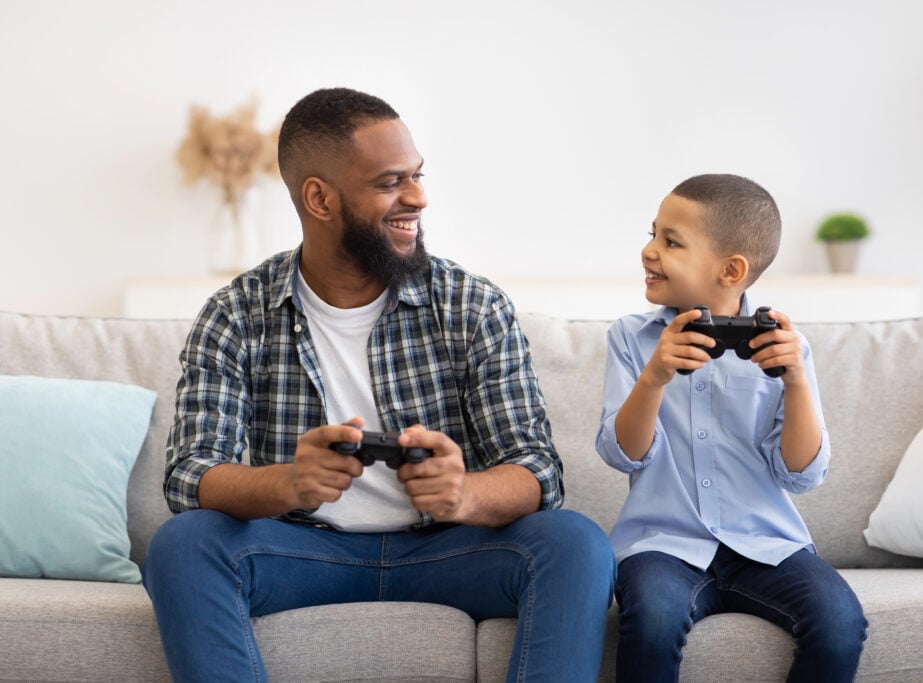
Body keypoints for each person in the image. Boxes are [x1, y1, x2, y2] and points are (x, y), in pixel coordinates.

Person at [143, 87, 615, 682]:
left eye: (417, 176)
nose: (417, 197)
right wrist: (290, 482)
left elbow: (537, 470)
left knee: (574, 543)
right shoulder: (237, 312)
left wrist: (462, 493)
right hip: (302, 552)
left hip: (449, 551)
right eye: (391, 182)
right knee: (183, 544)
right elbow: (190, 475)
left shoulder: (472, 304)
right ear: (319, 198)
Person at [595, 174, 867, 683]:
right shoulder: (631, 339)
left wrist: (798, 385)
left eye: (670, 241)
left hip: (766, 544)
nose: (649, 251)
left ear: (731, 270)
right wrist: (654, 376)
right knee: (652, 617)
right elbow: (622, 453)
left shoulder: (787, 348)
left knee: (840, 619)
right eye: (652, 234)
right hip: (662, 545)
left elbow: (799, 474)